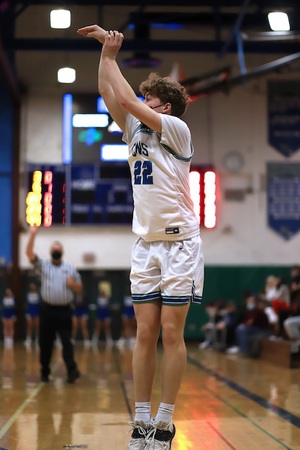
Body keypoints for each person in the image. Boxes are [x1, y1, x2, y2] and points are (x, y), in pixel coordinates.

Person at [77, 24, 204, 450]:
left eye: (151, 98)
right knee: (144, 333)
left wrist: (114, 57)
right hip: (146, 243)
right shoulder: (133, 130)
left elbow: (127, 98)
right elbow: (112, 97)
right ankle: (142, 423)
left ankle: (165, 424)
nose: (140, 103)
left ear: (164, 106)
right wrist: (104, 57)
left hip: (181, 243)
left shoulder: (177, 130)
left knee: (171, 332)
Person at [26, 225, 82, 383]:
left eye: (58, 248)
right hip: (47, 310)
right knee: (45, 343)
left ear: (62, 252)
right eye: (54, 248)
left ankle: (72, 370)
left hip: (64, 311)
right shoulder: (43, 266)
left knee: (67, 342)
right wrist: (32, 235)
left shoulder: (70, 267)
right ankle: (45, 371)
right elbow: (29, 254)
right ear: (51, 252)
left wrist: (74, 285)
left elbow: (80, 288)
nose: (56, 250)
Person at [24, 282, 40, 348]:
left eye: (34, 286)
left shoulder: (38, 295)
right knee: (29, 326)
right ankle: (28, 339)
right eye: (31, 286)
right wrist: (27, 313)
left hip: (37, 312)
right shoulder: (27, 295)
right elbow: (26, 304)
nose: (33, 287)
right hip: (30, 312)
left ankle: (38, 339)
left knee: (37, 326)